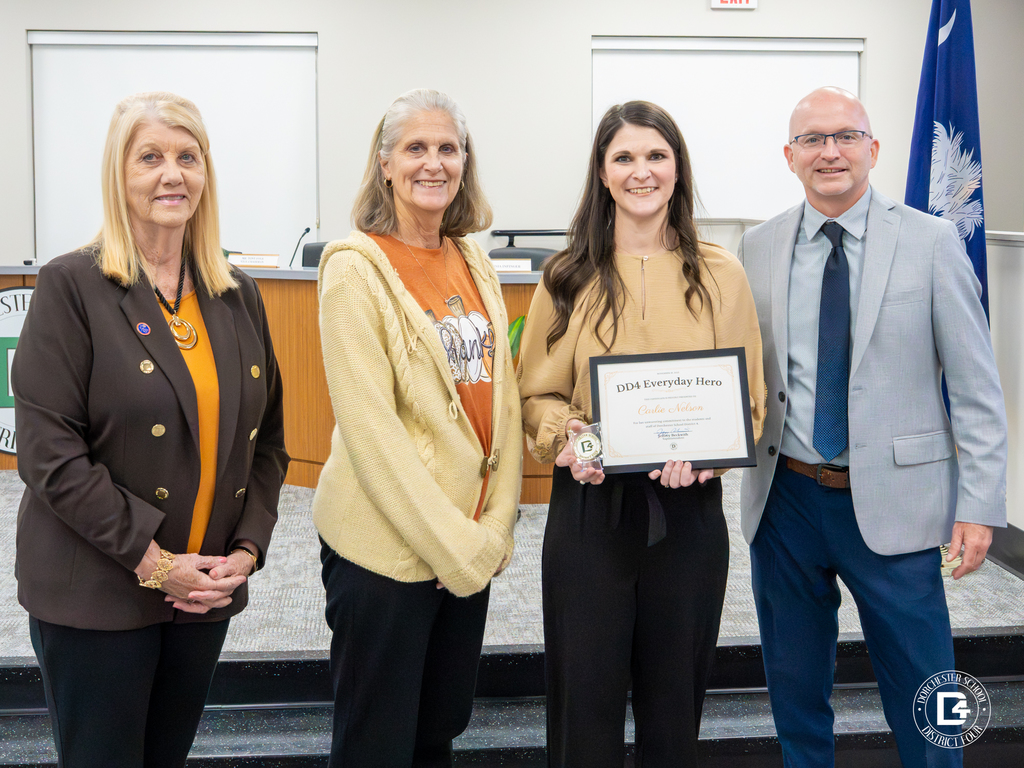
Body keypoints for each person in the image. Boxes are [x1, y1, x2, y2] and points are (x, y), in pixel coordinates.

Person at [12, 91, 289, 767]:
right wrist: (155, 565)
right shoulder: (70, 285)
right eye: (151, 158)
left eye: (187, 157)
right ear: (120, 175)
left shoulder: (236, 293)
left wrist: (246, 552)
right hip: (100, 591)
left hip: (203, 591)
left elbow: (269, 444)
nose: (173, 174)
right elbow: (51, 458)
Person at [738, 86, 1007, 768]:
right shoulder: (758, 246)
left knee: (927, 690)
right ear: (790, 156)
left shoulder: (932, 241)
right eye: (813, 140)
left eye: (845, 136)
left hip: (899, 503)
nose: (830, 152)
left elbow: (976, 389)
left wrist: (978, 505)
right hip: (786, 502)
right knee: (796, 689)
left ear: (873, 148)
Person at [517, 101, 765, 767]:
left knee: (673, 713)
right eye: (624, 157)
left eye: (656, 155)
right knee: (583, 709)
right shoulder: (565, 273)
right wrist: (567, 440)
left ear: (677, 169)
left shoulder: (721, 273)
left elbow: (749, 401)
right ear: (602, 173)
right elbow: (535, 394)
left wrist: (713, 455)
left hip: (685, 520)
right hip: (590, 514)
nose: (641, 171)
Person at [313, 88, 521, 767]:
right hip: (388, 553)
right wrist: (457, 548)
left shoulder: (473, 259)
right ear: (385, 165)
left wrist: (496, 527)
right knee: (377, 744)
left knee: (437, 733)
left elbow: (504, 406)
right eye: (416, 148)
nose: (434, 164)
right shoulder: (354, 267)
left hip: (464, 544)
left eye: (448, 148)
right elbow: (372, 434)